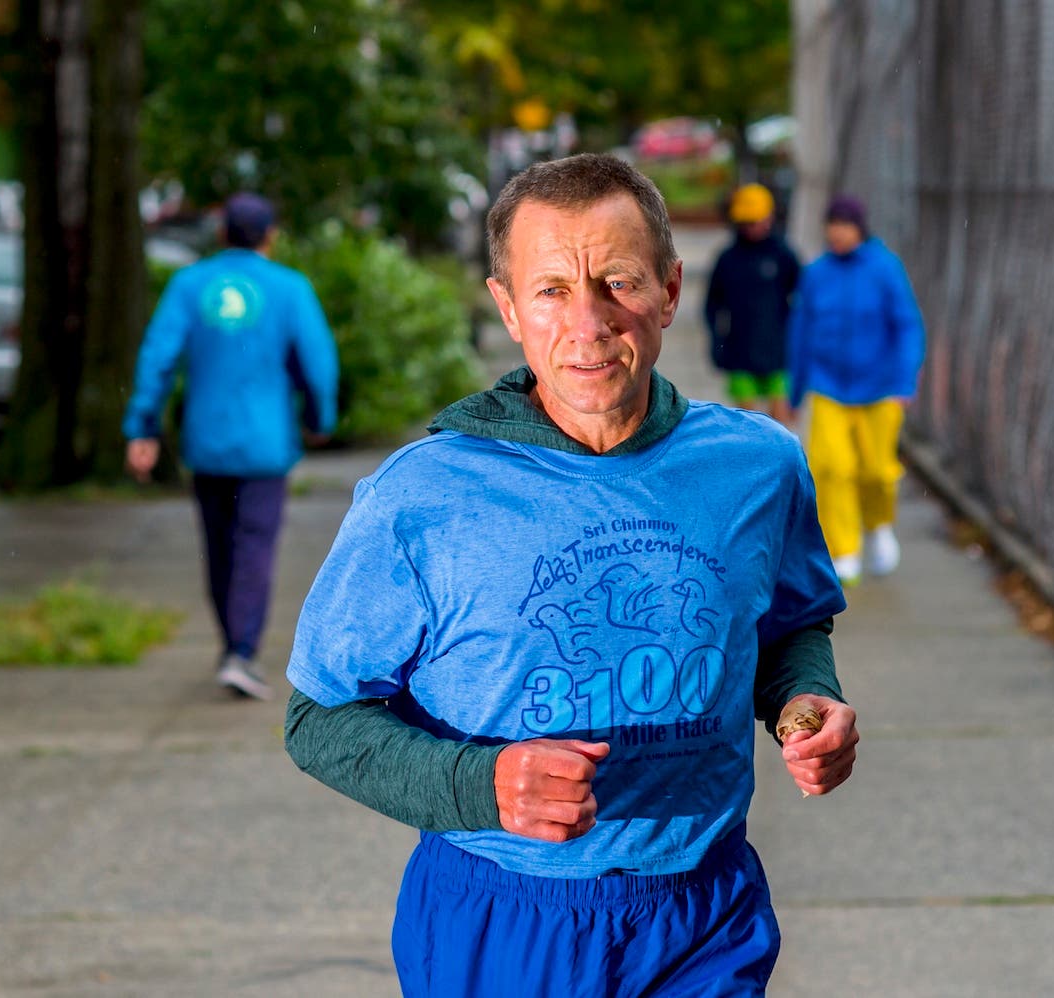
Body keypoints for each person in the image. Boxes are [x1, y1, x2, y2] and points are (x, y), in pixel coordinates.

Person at [283, 154, 859, 997]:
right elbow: (316, 719)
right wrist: (481, 784)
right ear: (508, 308)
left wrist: (806, 703)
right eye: (551, 290)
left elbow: (791, 623)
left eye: (618, 282)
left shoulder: (758, 466)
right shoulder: (424, 496)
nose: (587, 322)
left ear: (669, 289)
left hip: (705, 910)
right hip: (504, 917)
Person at [122, 192, 339, 701]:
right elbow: (318, 363)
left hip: (207, 441)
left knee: (219, 547)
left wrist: (143, 428)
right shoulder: (289, 288)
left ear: (221, 234)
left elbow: (157, 357)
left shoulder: (189, 285)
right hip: (266, 445)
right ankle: (240, 652)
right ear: (271, 236)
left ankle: (231, 645)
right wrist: (318, 418)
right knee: (255, 547)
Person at [786, 195, 924, 586]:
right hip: (829, 385)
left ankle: (878, 525)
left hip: (881, 386)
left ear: (859, 228)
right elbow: (800, 332)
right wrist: (795, 391)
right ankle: (844, 549)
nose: (837, 233)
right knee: (832, 469)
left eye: (844, 225)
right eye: (832, 225)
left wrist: (904, 379)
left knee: (877, 470)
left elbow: (907, 325)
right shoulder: (816, 274)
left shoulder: (885, 269)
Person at [703, 183, 801, 423]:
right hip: (740, 353)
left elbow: (802, 300)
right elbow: (712, 304)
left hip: (779, 354)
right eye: (746, 222)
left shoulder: (783, 255)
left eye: (755, 221)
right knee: (748, 422)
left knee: (780, 425)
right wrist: (717, 341)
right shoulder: (728, 259)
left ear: (770, 218)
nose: (751, 228)